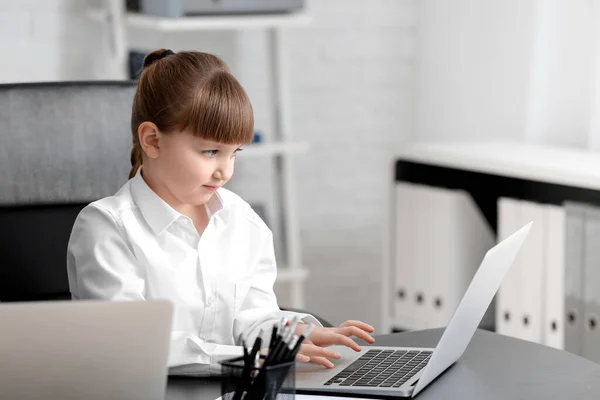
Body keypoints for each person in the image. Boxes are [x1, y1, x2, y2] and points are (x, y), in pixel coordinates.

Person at [66, 49, 375, 376]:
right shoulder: (107, 229)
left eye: (234, 153)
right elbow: (133, 345)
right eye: (211, 151)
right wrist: (250, 358)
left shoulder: (241, 220)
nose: (224, 171)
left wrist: (291, 333)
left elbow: (253, 319)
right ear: (152, 140)